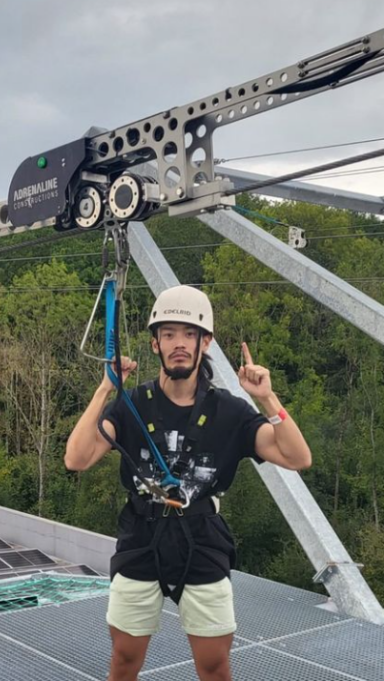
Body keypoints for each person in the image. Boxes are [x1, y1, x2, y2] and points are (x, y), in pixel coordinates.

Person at [65, 285, 312, 681]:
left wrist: (267, 400)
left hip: (202, 538)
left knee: (214, 665)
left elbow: (298, 458)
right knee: (124, 658)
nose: (178, 343)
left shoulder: (229, 411)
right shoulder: (132, 404)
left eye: (188, 334)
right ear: (155, 344)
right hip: (141, 537)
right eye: (168, 334)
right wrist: (106, 388)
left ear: (205, 342)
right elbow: (76, 458)